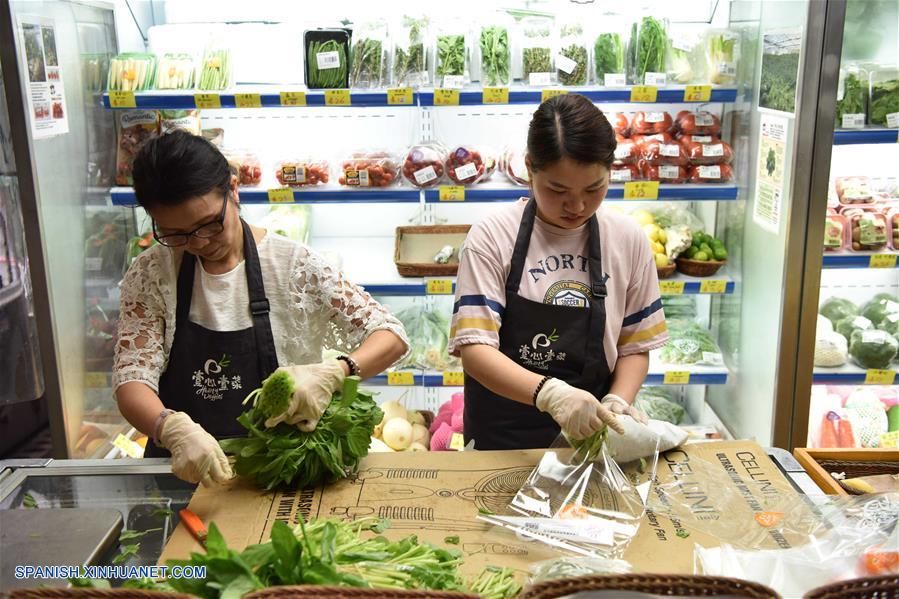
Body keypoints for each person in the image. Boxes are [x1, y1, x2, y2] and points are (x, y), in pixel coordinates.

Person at [114, 130, 408, 485]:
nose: (199, 243)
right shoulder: (153, 273)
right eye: (176, 234)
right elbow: (132, 380)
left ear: (233, 190)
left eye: (209, 224)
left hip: (283, 469)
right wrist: (169, 427)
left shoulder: (293, 265)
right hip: (186, 473)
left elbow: (390, 335)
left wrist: (335, 371)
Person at [449, 94, 668, 450]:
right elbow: (475, 349)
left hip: (594, 437)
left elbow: (634, 344)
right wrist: (550, 394)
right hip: (502, 439)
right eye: (558, 189)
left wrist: (618, 401)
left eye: (594, 188)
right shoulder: (492, 237)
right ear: (530, 168)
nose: (577, 206)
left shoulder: (627, 240)